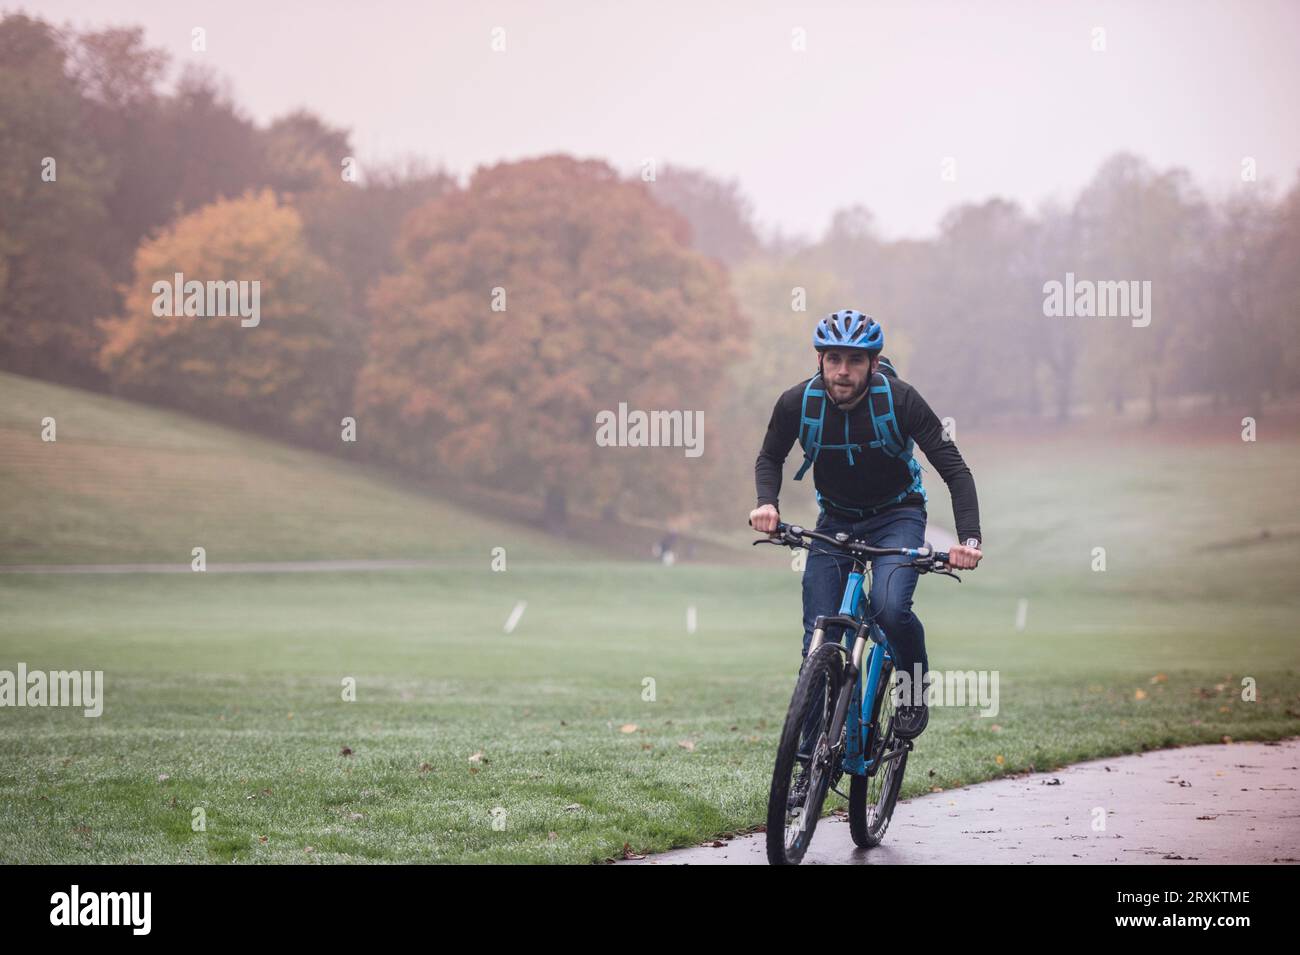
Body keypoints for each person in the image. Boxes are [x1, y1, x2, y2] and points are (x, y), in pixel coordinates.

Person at [748, 310, 983, 739]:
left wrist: (969, 540)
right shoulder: (797, 403)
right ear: (819, 359)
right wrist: (767, 504)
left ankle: (911, 690)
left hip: (898, 515)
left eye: (855, 360)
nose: (843, 370)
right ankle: (806, 765)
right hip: (836, 520)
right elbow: (769, 457)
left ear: (874, 364)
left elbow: (955, 470)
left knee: (890, 610)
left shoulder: (900, 400)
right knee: (817, 640)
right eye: (834, 358)